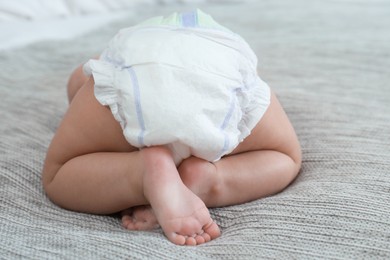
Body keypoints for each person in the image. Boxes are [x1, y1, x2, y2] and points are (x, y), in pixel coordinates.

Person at [42, 10, 301, 246]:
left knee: (59, 173)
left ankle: (142, 173)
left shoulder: (120, 55)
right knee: (285, 157)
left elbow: (82, 78)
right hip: (220, 79)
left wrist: (78, 94)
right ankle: (211, 179)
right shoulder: (225, 44)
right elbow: (280, 144)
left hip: (135, 76)